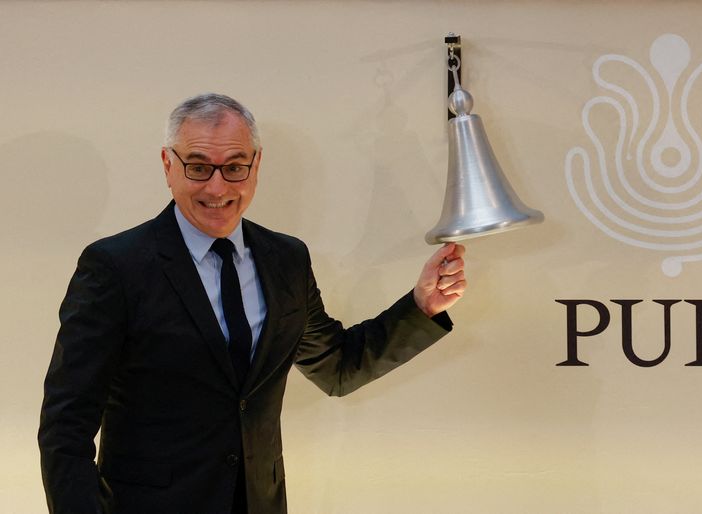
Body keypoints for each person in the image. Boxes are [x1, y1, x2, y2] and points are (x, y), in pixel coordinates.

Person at [38, 93, 467, 514]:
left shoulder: (287, 259)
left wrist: (421, 304)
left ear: (256, 165)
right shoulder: (115, 266)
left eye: (235, 167)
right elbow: (65, 427)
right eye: (199, 167)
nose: (218, 186)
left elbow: (336, 367)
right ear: (168, 165)